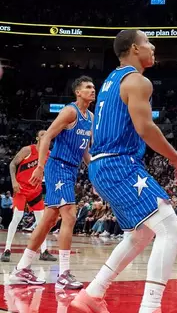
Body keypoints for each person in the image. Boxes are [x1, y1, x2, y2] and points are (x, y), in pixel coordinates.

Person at [70, 29, 177, 313]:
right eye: (148, 42)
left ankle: (92, 294)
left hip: (103, 164)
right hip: (118, 163)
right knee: (171, 229)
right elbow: (145, 128)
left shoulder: (111, 79)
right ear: (135, 48)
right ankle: (150, 308)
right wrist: (175, 157)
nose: (153, 46)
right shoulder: (138, 81)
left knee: (140, 234)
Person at [10, 76, 95, 289]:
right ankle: (64, 273)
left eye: (93, 87)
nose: (92, 90)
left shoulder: (91, 117)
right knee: (70, 215)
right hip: (58, 166)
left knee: (48, 221)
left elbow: (84, 148)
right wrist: (40, 167)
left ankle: (22, 268)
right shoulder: (70, 111)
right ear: (78, 92)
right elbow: (47, 136)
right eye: (88, 87)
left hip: (71, 169)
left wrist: (93, 171)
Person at [2, 130, 56, 262]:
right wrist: (14, 181)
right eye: (43, 134)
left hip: (35, 191)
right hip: (21, 188)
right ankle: (7, 250)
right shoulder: (28, 150)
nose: (46, 136)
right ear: (37, 138)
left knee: (42, 222)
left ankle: (44, 251)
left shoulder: (49, 155)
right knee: (17, 217)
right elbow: (12, 164)